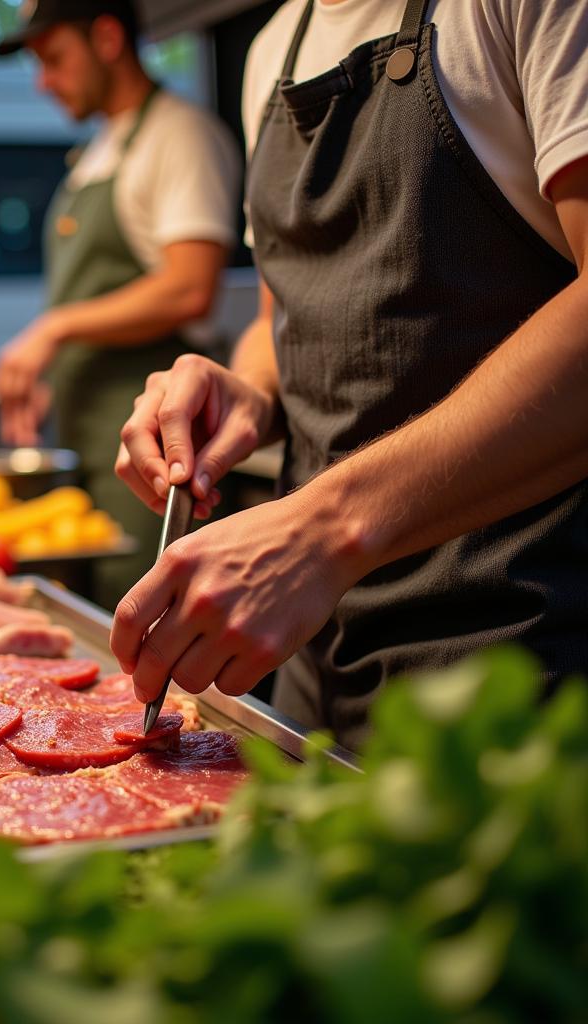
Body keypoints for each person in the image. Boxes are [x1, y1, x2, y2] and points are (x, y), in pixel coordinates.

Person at [110, 0, 588, 749]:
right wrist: (250, 392)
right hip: (314, 659)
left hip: (518, 661)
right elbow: (286, 314)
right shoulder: (274, 47)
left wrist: (324, 527)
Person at [0, 0, 240, 608]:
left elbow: (188, 285)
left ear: (106, 37)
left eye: (53, 59)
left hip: (157, 452)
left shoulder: (178, 134)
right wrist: (61, 371)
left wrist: (57, 327)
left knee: (148, 628)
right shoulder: (98, 151)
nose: (43, 81)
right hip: (92, 443)